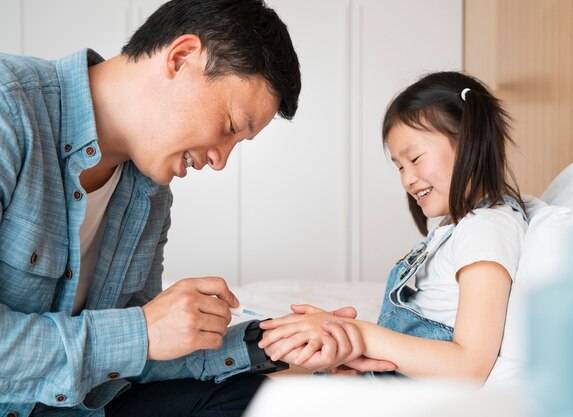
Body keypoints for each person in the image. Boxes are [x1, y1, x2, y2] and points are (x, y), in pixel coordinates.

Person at [0, 1, 388, 416]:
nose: (220, 160)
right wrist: (143, 330)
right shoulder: (10, 110)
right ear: (182, 57)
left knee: (266, 400)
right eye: (229, 128)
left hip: (79, 404)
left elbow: (130, 358)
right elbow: (137, 337)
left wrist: (274, 342)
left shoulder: (149, 191)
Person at [259, 71, 529, 382]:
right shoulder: (458, 227)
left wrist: (359, 334)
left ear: (470, 142)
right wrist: (353, 348)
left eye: (415, 158)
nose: (407, 178)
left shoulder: (487, 229)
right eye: (399, 166)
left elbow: (469, 366)